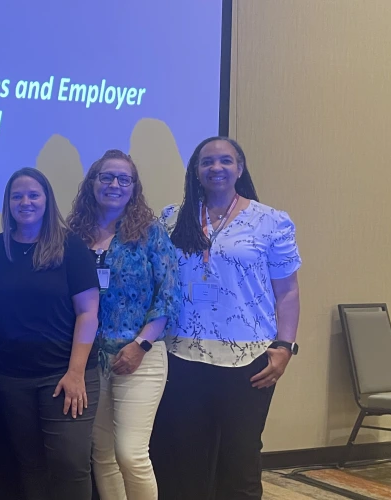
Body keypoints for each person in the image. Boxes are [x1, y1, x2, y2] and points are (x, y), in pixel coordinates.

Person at [151, 137, 301, 499]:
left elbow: (288, 291)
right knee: (183, 458)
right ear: (196, 171)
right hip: (182, 356)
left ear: (240, 167)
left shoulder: (271, 221)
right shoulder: (173, 217)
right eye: (207, 162)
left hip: (249, 359)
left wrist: (285, 346)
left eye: (225, 161)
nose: (215, 168)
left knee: (240, 458)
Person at [66, 150, 180, 500]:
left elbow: (167, 295)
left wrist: (140, 345)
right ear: (92, 183)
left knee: (131, 453)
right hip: (90, 359)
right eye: (106, 177)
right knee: (102, 454)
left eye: (123, 179)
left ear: (134, 188)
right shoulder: (74, 235)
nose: (114, 185)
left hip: (140, 356)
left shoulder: (151, 233)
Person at [0, 167, 100, 500]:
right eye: (17, 196)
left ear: (47, 200)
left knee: (70, 463)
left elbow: (88, 313)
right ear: (7, 203)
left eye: (33, 195)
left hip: (65, 373)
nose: (25, 202)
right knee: (29, 463)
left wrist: (76, 372)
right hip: (12, 377)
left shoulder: (71, 247)